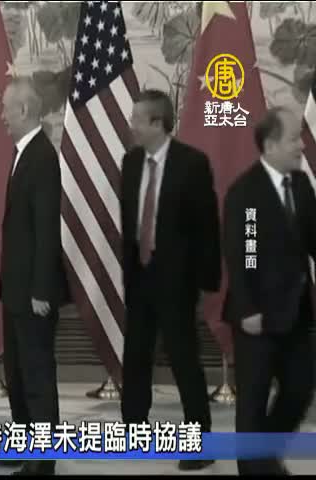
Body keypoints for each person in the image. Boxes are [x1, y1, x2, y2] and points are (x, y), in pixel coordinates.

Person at [119, 89, 220, 471]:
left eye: (137, 119)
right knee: (136, 357)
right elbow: (129, 224)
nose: (131, 125)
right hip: (140, 276)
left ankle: (199, 444)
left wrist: (205, 282)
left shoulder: (192, 164)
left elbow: (207, 227)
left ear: (158, 123)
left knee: (184, 360)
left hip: (177, 280)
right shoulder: (131, 163)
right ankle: (134, 431)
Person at [223, 107, 315, 476]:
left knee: (300, 387)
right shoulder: (245, 192)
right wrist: (247, 308)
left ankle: (265, 457)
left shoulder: (302, 185)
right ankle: (254, 468)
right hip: (256, 317)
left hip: (295, 312)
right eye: (294, 139)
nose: (301, 146)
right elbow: (242, 255)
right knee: (253, 401)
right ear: (271, 144)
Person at [0, 77, 68, 476]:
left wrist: (42, 289)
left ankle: (42, 461)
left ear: (23, 110)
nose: (1, 116)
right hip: (15, 288)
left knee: (37, 374)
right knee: (17, 372)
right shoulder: (24, 151)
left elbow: (46, 229)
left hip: (33, 291)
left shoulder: (41, 155)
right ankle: (24, 444)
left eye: (6, 108)